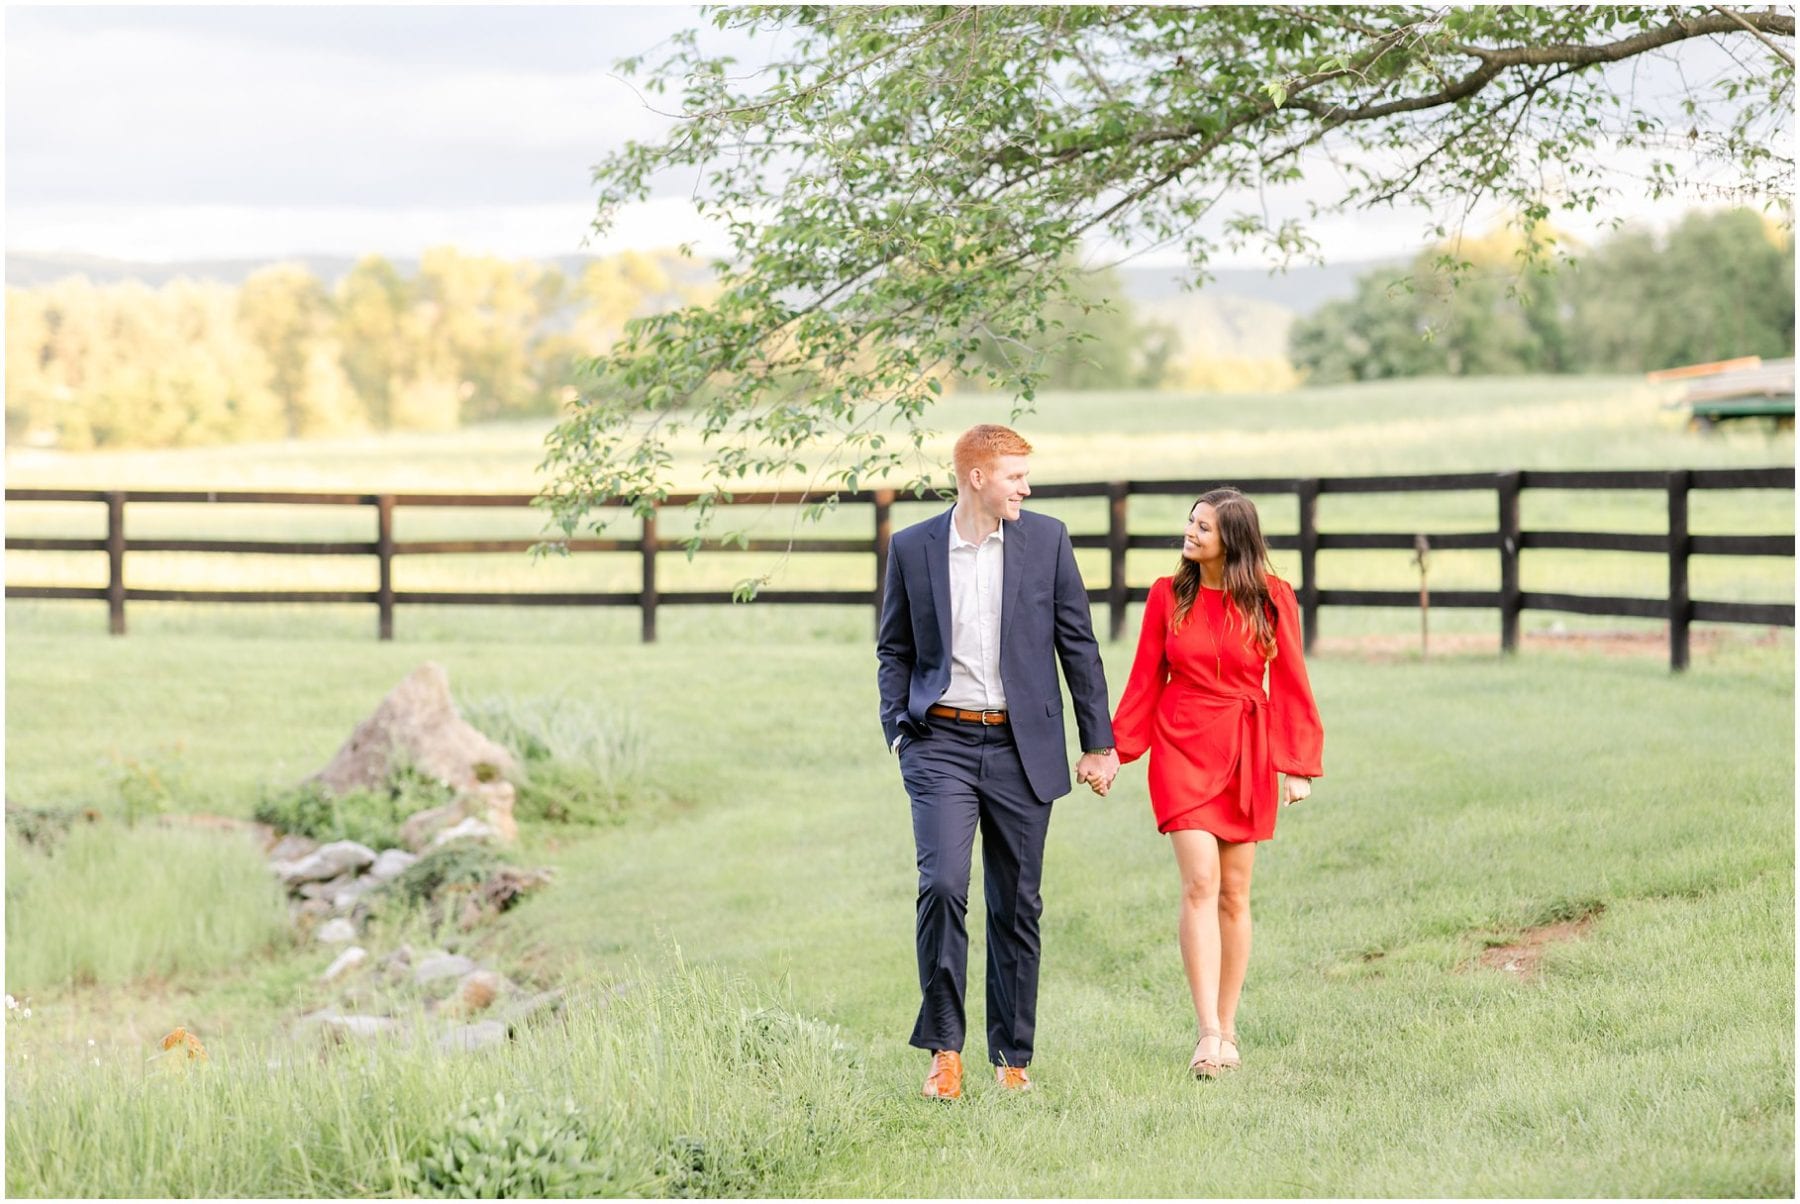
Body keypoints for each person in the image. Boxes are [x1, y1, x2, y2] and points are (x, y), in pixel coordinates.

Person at [877, 424, 1120, 1100]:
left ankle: (1012, 1060)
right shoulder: (913, 547)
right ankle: (944, 1051)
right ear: (978, 477)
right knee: (944, 887)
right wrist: (899, 730)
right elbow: (892, 648)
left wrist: (1097, 742)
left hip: (1022, 747)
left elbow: (1079, 645)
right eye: (1015, 475)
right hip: (940, 744)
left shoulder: (1047, 540)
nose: (1027, 487)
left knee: (1016, 905)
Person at [1108, 487, 1324, 1079]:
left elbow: (1293, 681)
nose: (1191, 532)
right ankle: (1206, 1033)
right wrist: (1113, 751)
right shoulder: (1166, 596)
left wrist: (1297, 763)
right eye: (1190, 522)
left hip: (1246, 748)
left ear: (1232, 537)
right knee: (1200, 881)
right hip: (1181, 743)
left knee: (1234, 891)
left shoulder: (1272, 598)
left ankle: (1230, 1029)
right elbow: (1144, 681)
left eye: (1203, 526)